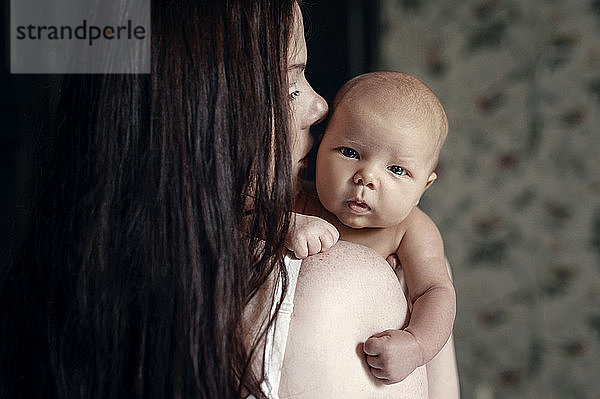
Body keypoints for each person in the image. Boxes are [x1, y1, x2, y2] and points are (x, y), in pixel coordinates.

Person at [0, 1, 445, 399]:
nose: (320, 107)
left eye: (399, 169)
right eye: (290, 86)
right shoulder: (335, 283)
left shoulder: (60, 291)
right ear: (206, 113)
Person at [286, 72, 457, 384]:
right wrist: (285, 226)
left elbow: (435, 291)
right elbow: (243, 219)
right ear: (318, 150)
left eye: (396, 170)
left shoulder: (410, 229)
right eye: (350, 153)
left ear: (423, 187)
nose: (366, 177)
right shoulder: (298, 201)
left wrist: (417, 345)